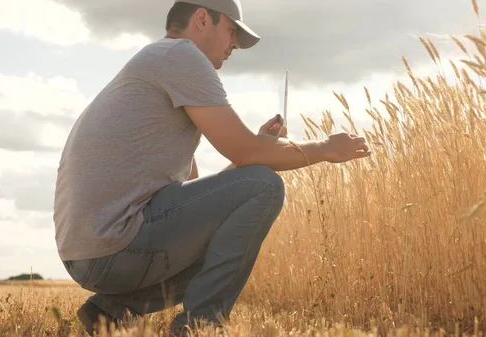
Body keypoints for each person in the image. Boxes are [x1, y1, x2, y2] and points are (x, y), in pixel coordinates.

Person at [52, 0, 372, 336]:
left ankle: (108, 312)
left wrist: (254, 151)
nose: (234, 44)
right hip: (113, 245)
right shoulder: (181, 55)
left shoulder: (157, 69)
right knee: (264, 185)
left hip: (89, 253)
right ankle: (199, 327)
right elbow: (244, 151)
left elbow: (197, 203)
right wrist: (324, 148)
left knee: (231, 221)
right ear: (202, 18)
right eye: (232, 31)